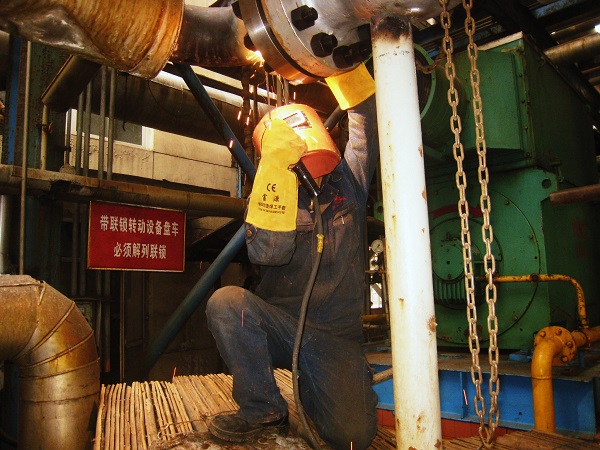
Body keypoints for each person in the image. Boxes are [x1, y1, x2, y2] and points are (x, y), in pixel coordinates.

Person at [205, 64, 380, 449]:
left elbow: (367, 119)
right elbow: (268, 253)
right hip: (281, 326)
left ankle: (319, 387)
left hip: (335, 336)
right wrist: (275, 172)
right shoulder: (271, 191)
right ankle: (263, 409)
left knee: (352, 436)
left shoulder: (349, 182)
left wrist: (339, 65)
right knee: (227, 303)